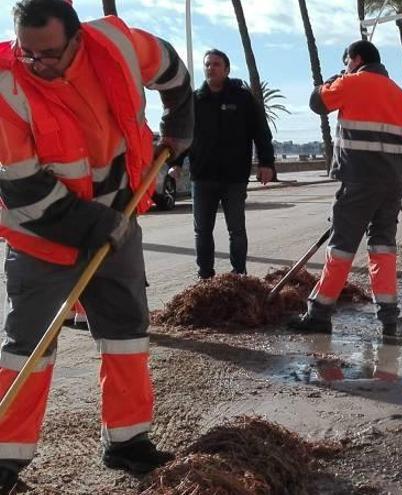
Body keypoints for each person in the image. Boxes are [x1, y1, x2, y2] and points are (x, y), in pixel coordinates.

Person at [0, 0, 193, 489]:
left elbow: (172, 68)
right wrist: (95, 225)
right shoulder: (6, 85)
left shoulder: (117, 45)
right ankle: (4, 458)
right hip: (41, 231)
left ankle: (128, 441)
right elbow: (24, 188)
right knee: (28, 345)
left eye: (48, 54)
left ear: (76, 37)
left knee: (126, 331)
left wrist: (179, 122)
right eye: (27, 52)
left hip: (117, 215)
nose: (36, 64)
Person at [287, 40, 402, 336]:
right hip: (391, 186)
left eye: (347, 60)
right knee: (383, 247)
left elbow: (316, 102)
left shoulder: (350, 83)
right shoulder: (401, 96)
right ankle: (388, 317)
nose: (345, 65)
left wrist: (334, 79)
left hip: (358, 181)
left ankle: (319, 313)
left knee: (342, 247)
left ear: (356, 59)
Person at [188, 49, 275, 279]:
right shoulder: (195, 100)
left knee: (236, 230)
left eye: (216, 64)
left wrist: (266, 163)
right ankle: (205, 276)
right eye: (207, 64)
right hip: (202, 176)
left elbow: (261, 132)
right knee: (202, 231)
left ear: (226, 69)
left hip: (234, 177)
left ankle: (239, 275)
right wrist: (175, 163)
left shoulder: (243, 98)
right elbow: (183, 135)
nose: (210, 68)